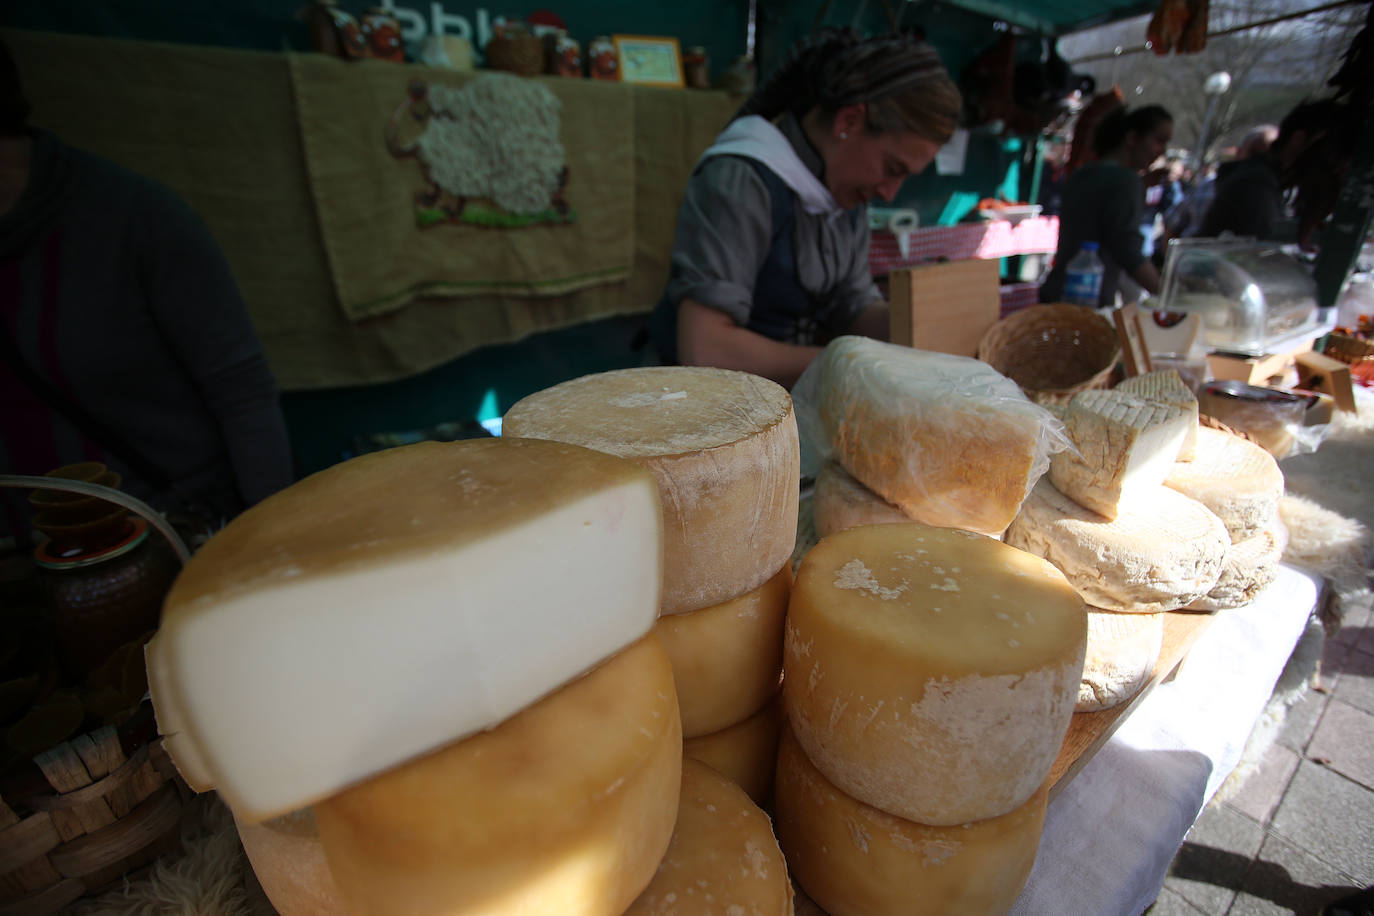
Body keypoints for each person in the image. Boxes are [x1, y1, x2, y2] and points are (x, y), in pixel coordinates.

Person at [0, 38, 294, 546]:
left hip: (166, 542)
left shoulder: (132, 218)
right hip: (26, 557)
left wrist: (275, 547)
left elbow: (242, 390)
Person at [648, 29, 962, 387]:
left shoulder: (844, 191)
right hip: (701, 408)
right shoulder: (743, 180)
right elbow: (705, 349)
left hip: (788, 402)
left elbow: (853, 306)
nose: (890, 193)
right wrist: (847, 361)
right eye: (892, 169)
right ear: (849, 121)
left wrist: (922, 322)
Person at [1039, 104, 1174, 308]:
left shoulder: (1082, 174)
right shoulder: (1126, 181)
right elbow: (1126, 248)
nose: (1162, 151)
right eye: (1159, 140)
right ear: (1132, 138)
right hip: (1086, 301)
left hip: (1054, 292)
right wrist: (1168, 294)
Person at [1199, 105, 1333, 241]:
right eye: (1329, 150)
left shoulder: (1270, 182)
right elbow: (1265, 244)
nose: (1333, 165)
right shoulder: (1256, 182)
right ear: (1298, 140)